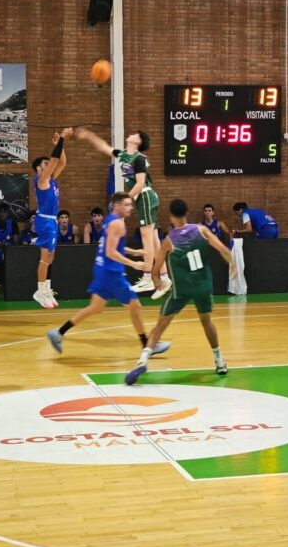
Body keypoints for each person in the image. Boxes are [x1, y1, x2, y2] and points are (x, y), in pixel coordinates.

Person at [46, 192, 171, 358]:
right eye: (127, 205)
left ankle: (59, 333)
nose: (130, 208)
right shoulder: (118, 224)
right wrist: (133, 263)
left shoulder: (109, 221)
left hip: (101, 269)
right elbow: (111, 251)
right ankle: (148, 346)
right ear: (117, 206)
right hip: (112, 273)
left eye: (131, 205)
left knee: (95, 308)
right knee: (135, 307)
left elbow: (113, 245)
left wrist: (134, 252)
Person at [125, 198, 235, 385]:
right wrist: (232, 266)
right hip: (202, 286)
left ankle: (142, 360)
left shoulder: (168, 241)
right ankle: (219, 361)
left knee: (160, 325)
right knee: (206, 322)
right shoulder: (202, 230)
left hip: (181, 289)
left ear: (171, 216)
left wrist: (158, 282)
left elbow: (155, 270)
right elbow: (224, 250)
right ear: (186, 213)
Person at [76, 127, 172, 298]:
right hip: (142, 199)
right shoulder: (124, 155)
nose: (131, 134)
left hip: (145, 196)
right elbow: (104, 147)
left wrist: (126, 200)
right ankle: (164, 277)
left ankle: (148, 276)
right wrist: (89, 135)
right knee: (155, 240)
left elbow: (141, 183)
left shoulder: (139, 158)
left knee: (146, 238)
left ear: (138, 141)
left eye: (135, 134)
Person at [31, 127, 73, 308]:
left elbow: (62, 162)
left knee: (51, 256)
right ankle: (40, 291)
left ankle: (47, 288)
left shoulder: (51, 179)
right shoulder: (41, 180)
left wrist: (59, 146)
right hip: (45, 220)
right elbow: (55, 160)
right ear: (39, 169)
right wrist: (62, 138)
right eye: (46, 164)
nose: (50, 165)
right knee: (45, 256)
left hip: (51, 220)